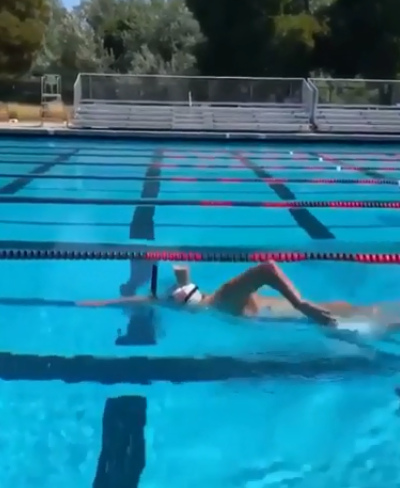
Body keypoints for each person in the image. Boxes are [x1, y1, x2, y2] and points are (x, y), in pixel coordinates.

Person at [78, 261, 384, 327]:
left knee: (382, 320)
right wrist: (102, 302)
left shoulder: (224, 300)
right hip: (334, 312)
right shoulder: (216, 303)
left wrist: (303, 306)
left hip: (330, 315)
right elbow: (149, 300)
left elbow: (267, 268)